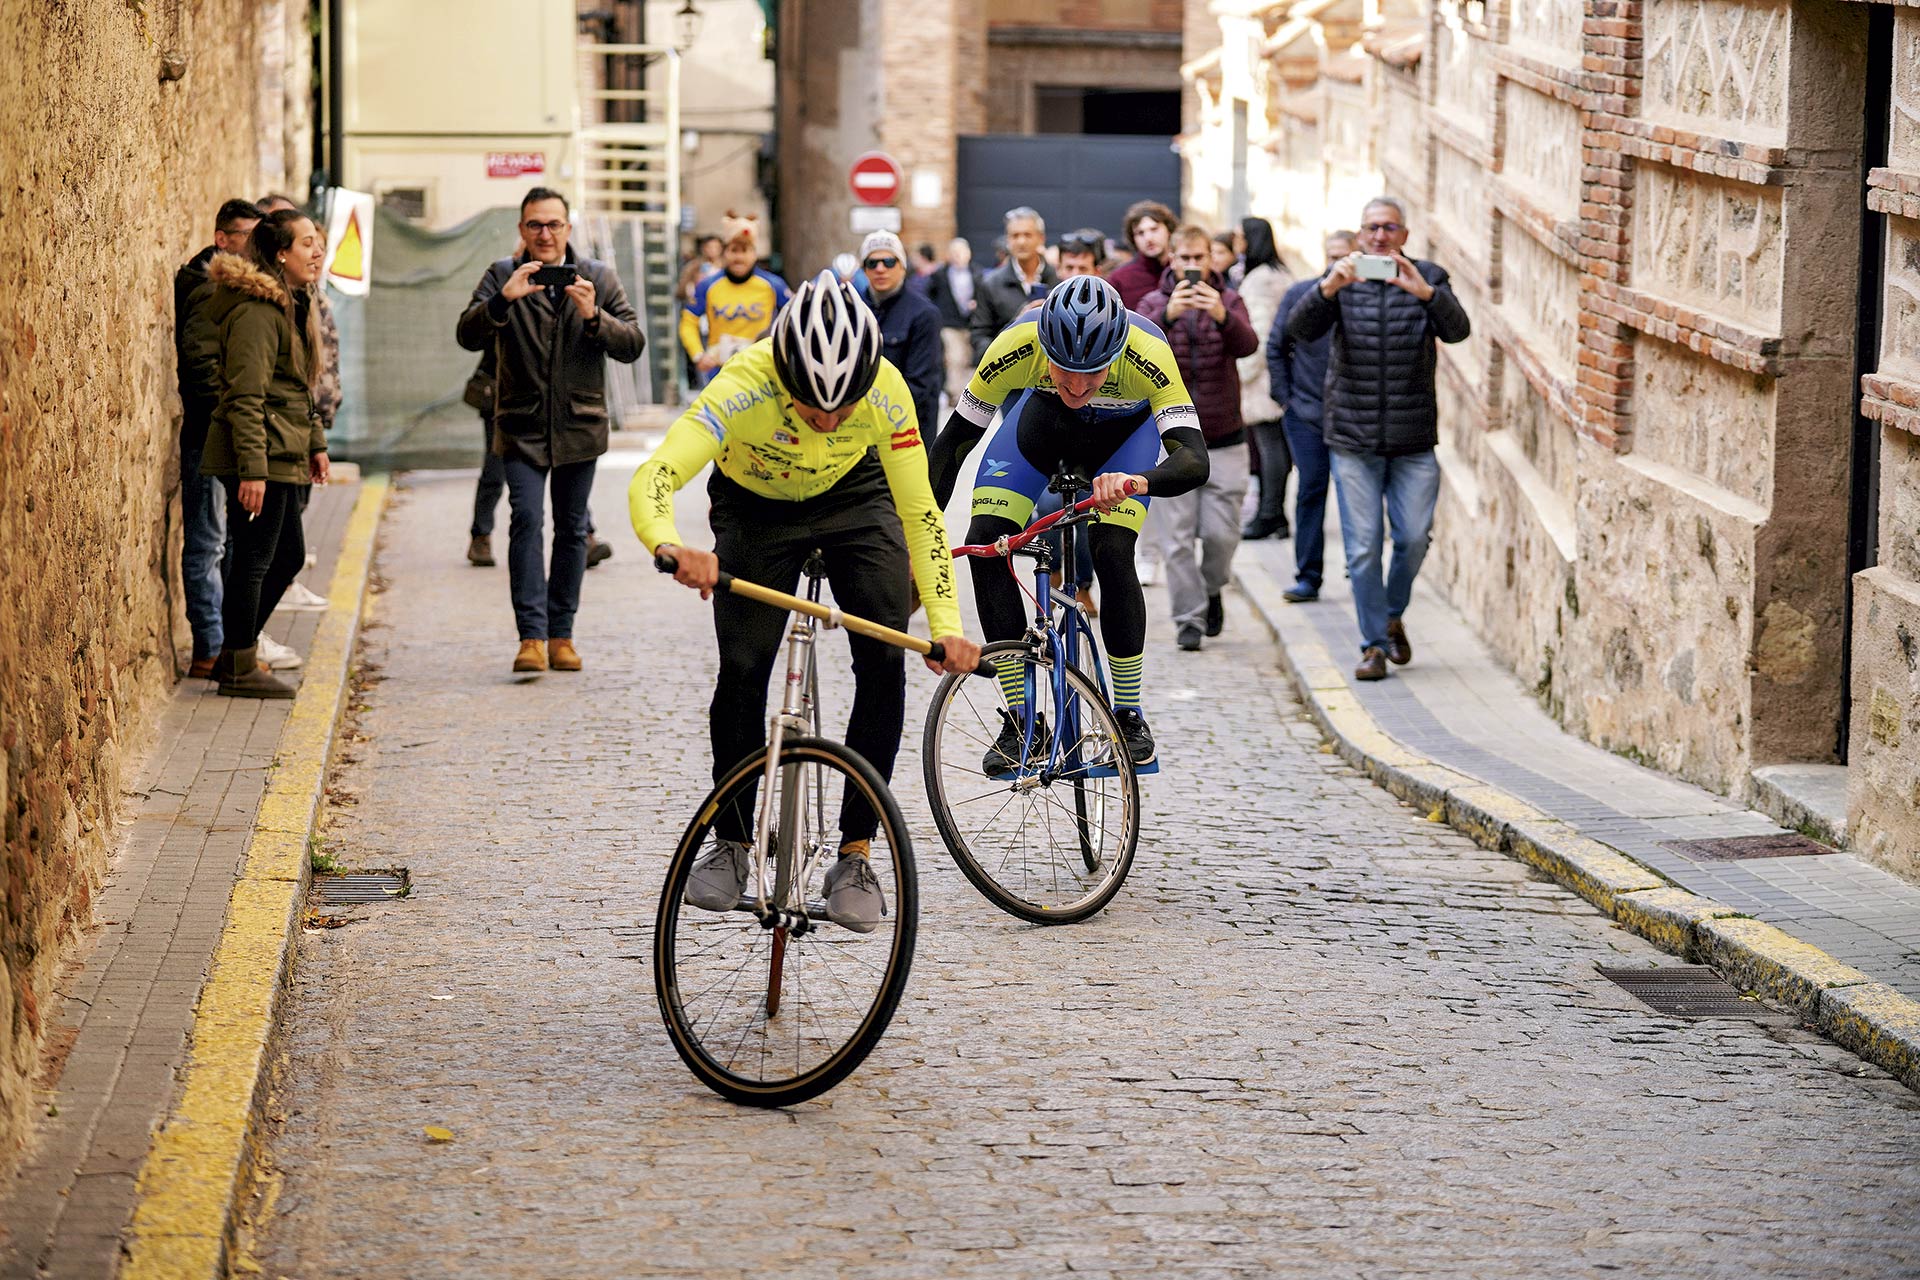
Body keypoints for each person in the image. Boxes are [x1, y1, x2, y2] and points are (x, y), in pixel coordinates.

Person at [629, 271, 980, 931]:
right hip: (755, 508)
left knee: (883, 660)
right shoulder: (742, 383)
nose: (826, 419)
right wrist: (671, 545)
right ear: (782, 374)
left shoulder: (886, 393)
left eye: (842, 408)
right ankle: (732, 841)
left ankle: (855, 852)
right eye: (811, 405)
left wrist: (947, 625)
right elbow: (659, 472)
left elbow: (923, 517)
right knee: (742, 667)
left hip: (855, 501)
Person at [928, 275, 1210, 768]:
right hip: (1042, 431)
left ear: (1118, 352)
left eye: (1093, 373)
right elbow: (953, 443)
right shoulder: (1016, 343)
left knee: (1112, 550)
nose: (1078, 386)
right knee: (984, 541)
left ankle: (1126, 715)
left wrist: (1136, 481)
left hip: (1124, 445)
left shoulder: (1149, 353)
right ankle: (1022, 722)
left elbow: (1193, 458)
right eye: (1064, 370)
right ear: (1044, 348)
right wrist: (921, 535)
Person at [456, 186, 645, 673]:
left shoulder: (598, 278)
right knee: (526, 521)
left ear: (568, 228)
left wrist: (593, 316)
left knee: (572, 529)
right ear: (522, 230)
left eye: (553, 224)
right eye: (535, 225)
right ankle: (531, 638)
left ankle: (562, 635)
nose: (544, 234)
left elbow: (632, 343)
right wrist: (502, 301)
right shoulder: (502, 274)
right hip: (519, 425)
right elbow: (467, 333)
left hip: (579, 426)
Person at [1286, 197, 1470, 681]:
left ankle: (1391, 614)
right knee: (1363, 548)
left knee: (1412, 538)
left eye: (1390, 228)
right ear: (1360, 234)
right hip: (1352, 440)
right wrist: (1329, 287)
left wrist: (1426, 293)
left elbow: (1459, 332)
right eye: (1372, 228)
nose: (1380, 236)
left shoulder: (1428, 275)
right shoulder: (1343, 281)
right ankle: (1372, 645)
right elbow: (1298, 331)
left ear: (1404, 235)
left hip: (1413, 441)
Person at [196, 209, 330, 697]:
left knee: (287, 556)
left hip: (284, 449)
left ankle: (238, 654)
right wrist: (252, 471)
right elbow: (245, 396)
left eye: (318, 243)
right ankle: (237, 664)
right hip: (261, 455)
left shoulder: (291, 303)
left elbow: (295, 386)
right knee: (254, 560)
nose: (317, 252)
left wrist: (315, 443)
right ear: (280, 253)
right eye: (307, 244)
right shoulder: (256, 311)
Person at [1138, 226, 1259, 651]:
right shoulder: (1154, 303)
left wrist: (1223, 316)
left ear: (1212, 259)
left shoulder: (1228, 299)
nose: (1192, 267)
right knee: (1177, 538)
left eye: (1199, 258)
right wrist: (1168, 315)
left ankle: (1210, 590)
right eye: (1184, 258)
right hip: (1171, 440)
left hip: (1224, 435)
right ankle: (1188, 619)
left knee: (1222, 533)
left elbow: (1248, 345)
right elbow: (1133, 347)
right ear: (1172, 258)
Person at [174, 197, 261, 679]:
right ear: (222, 240)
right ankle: (210, 647)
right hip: (209, 435)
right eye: (246, 236)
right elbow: (203, 367)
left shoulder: (227, 286)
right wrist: (228, 417)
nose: (254, 247)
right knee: (209, 542)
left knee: (225, 540)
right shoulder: (211, 290)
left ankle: (228, 643)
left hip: (221, 433)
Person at [1267, 229, 1353, 603]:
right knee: (1310, 491)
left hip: (1354, 416)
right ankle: (1308, 576)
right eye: (1331, 255)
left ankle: (1359, 568)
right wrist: (1287, 400)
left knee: (1356, 495)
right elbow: (1275, 347)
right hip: (1305, 413)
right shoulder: (1301, 294)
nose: (1336, 262)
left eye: (1344, 256)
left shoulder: (1366, 300)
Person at [679, 212, 789, 387]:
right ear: (725, 253)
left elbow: (793, 318)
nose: (739, 257)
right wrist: (698, 355)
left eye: (744, 251)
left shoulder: (773, 285)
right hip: (719, 372)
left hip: (761, 370)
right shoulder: (708, 285)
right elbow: (688, 321)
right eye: (733, 250)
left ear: (754, 254)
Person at [1237, 217, 1294, 541]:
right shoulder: (1278, 273)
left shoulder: (1261, 280)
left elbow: (1259, 330)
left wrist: (1242, 374)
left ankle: (1270, 513)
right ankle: (1275, 514)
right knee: (1274, 446)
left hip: (1262, 378)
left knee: (1270, 445)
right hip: (1277, 371)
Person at [859, 230, 943, 438]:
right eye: (872, 263)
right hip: (859, 429)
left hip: (907, 429)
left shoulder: (924, 314)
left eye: (888, 262)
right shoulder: (851, 310)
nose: (880, 269)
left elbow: (920, 385)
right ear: (864, 269)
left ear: (902, 266)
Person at [969, 206, 1059, 360]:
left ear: (1041, 238)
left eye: (1027, 235)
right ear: (1008, 240)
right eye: (1015, 235)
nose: (1021, 241)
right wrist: (1016, 324)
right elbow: (979, 338)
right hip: (1008, 375)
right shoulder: (990, 283)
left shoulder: (1059, 280)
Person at [925, 237, 983, 403]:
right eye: (954, 253)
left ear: (968, 254)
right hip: (949, 323)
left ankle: (968, 393)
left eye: (961, 253)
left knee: (968, 358)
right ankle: (956, 393)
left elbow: (984, 295)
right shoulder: (940, 274)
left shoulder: (977, 273)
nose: (957, 256)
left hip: (971, 323)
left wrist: (976, 304)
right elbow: (929, 295)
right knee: (954, 358)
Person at [1105, 200, 1176, 311]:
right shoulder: (1119, 279)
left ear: (1169, 230)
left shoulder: (1183, 271)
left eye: (1154, 229)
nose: (1148, 238)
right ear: (1133, 239)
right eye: (1140, 233)